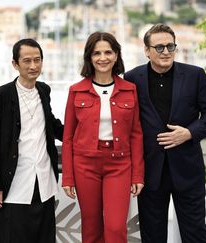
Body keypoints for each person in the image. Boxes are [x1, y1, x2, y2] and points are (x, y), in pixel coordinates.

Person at [123, 23, 206, 243]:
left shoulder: (195, 75)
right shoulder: (131, 79)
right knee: (152, 235)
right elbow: (125, 123)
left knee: (195, 233)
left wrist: (189, 132)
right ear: (146, 50)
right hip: (150, 172)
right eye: (159, 47)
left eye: (170, 46)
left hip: (188, 169)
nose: (166, 52)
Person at [62, 32, 145, 243]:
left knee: (116, 227)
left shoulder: (130, 89)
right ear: (89, 57)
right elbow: (68, 137)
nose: (103, 58)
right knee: (91, 227)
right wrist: (68, 177)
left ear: (116, 55)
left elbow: (136, 134)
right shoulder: (76, 91)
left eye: (108, 52)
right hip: (85, 165)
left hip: (119, 165)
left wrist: (137, 175)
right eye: (96, 53)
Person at [0, 38, 63, 243]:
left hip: (43, 181)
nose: (33, 66)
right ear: (15, 64)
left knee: (44, 238)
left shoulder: (44, 90)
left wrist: (86, 132)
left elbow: (52, 125)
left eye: (37, 60)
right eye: (27, 61)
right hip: (14, 185)